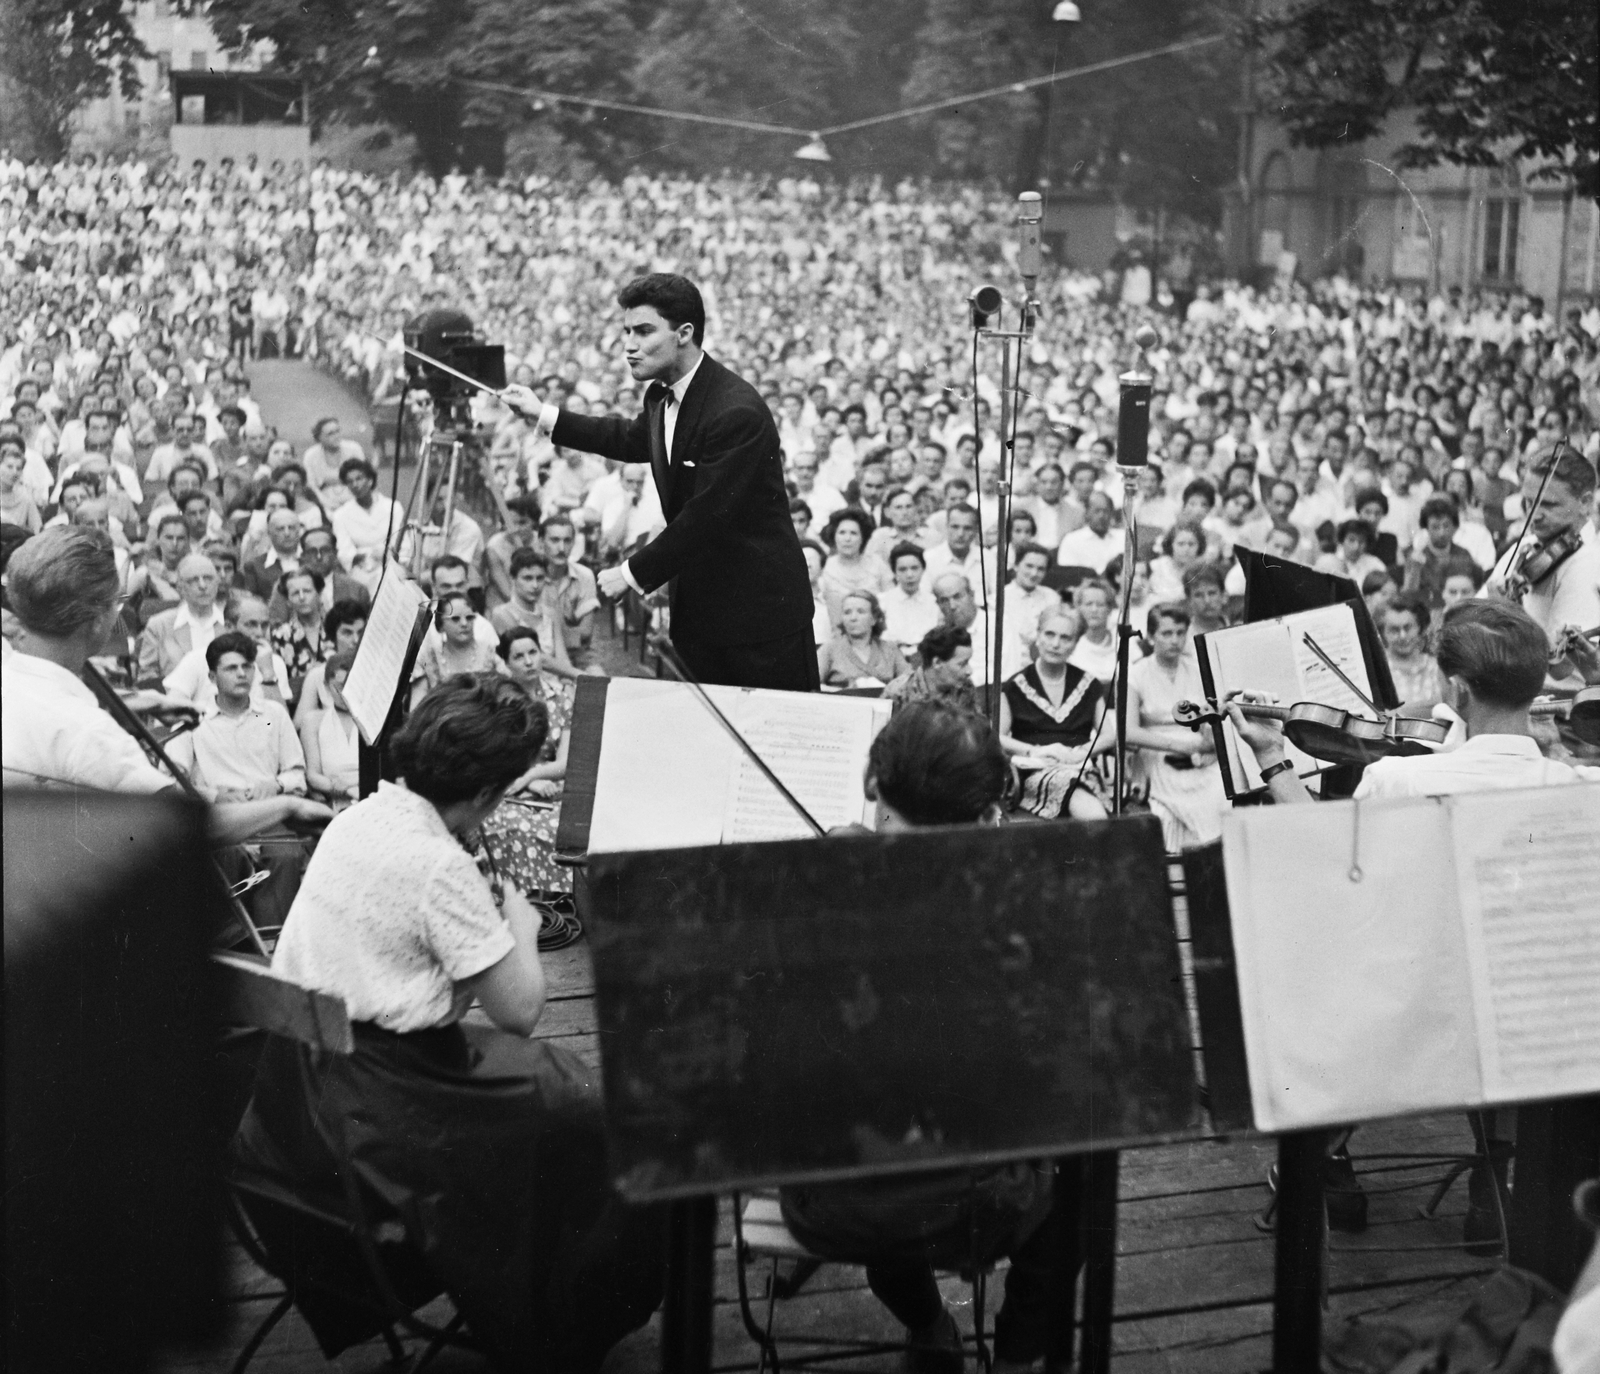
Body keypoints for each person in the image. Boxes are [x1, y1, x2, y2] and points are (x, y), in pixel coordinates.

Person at [233, 675, 664, 1371]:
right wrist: (519, 925)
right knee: (596, 1118)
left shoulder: (361, 816)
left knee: (565, 1107)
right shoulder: (439, 865)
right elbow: (520, 1012)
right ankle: (566, 1316)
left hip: (294, 1093)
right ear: (492, 794)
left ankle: (546, 1284)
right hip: (378, 1106)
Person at [1229, 600, 1600, 1251]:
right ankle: (1493, 1187)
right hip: (1530, 1029)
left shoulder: (1399, 778)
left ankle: (1332, 1155)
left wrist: (1271, 755)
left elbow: (1322, 852)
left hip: (1410, 1020)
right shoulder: (1572, 784)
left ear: (1456, 689)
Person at [778, 702, 1066, 1374]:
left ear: (872, 785)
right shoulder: (1019, 914)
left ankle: (930, 1325)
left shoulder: (800, 889)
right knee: (1076, 1165)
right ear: (990, 819)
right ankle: (1022, 1351)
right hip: (981, 1208)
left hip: (828, 1207)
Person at [502, 273, 816, 691]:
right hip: (703, 609)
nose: (629, 344)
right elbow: (629, 439)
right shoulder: (660, 393)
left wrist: (631, 573)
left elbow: (707, 516)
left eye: (644, 331)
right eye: (626, 331)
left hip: (758, 618)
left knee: (770, 740)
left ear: (685, 333)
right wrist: (544, 415)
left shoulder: (735, 411)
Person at [2, 527, 329, 840]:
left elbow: (49, 713)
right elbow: (188, 824)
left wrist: (144, 701)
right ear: (97, 620)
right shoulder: (90, 733)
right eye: (115, 603)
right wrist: (287, 806)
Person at [474, 626, 577, 899]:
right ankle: (516, 899)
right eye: (519, 657)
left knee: (559, 829)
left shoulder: (561, 698)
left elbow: (566, 761)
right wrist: (528, 781)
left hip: (555, 790)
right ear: (506, 663)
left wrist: (533, 776)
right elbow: (496, 759)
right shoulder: (498, 702)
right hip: (510, 789)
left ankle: (557, 899)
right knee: (507, 826)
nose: (529, 661)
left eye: (533, 652)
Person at [1123, 603, 1227, 850]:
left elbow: (1212, 719)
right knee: (1172, 802)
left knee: (1220, 788)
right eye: (1166, 633)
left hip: (1198, 750)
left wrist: (1208, 747)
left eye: (1180, 633)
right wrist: (1180, 747)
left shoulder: (1198, 670)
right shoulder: (1135, 674)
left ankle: (1213, 858)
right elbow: (1129, 731)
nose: (1175, 640)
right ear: (1151, 636)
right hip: (1155, 752)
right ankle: (1184, 859)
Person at [999, 607, 1112, 820]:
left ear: (1075, 643)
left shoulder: (1088, 684)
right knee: (1087, 807)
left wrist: (1082, 752)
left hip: (1080, 767)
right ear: (1038, 635)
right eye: (1049, 634)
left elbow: (1108, 734)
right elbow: (997, 738)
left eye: (1065, 638)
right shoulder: (1014, 686)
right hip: (1035, 772)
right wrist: (1035, 751)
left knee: (1081, 790)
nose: (1055, 644)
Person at [1486, 444, 1599, 656]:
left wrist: (1509, 617)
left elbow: (1563, 665)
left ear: (1585, 503)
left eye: (1548, 505)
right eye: (1529, 502)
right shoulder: (1527, 546)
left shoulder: (1590, 561)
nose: (1534, 515)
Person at [137, 552, 224, 684]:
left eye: (208, 578)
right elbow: (147, 679)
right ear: (180, 587)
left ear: (217, 582)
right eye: (193, 580)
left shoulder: (231, 624)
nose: (202, 586)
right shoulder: (159, 626)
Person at [413, 591, 500, 705]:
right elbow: (417, 705)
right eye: (455, 619)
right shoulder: (428, 658)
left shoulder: (489, 652)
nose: (464, 623)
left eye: (469, 618)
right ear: (440, 624)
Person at [299, 648, 360, 810]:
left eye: (352, 685)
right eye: (339, 687)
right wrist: (348, 789)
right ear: (326, 687)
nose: (346, 693)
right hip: (334, 799)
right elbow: (312, 775)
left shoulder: (374, 720)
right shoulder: (313, 721)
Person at [818, 589, 907, 689]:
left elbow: (908, 681)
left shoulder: (890, 649)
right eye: (847, 612)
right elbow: (812, 686)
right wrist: (842, 691)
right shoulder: (829, 650)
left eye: (861, 612)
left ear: (874, 619)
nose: (853, 618)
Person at [1403, 497, 1481, 611]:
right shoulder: (1416, 557)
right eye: (1435, 527)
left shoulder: (1464, 555)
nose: (1442, 533)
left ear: (1455, 527)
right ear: (1426, 528)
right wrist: (1415, 569)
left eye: (1446, 526)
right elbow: (1408, 597)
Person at [884, 623, 978, 714]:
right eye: (962, 664)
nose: (969, 671)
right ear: (937, 663)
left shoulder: (965, 689)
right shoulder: (897, 693)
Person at [820, 508, 891, 629]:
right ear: (834, 536)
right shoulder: (825, 568)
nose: (847, 539)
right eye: (842, 533)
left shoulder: (877, 564)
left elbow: (890, 601)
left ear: (863, 537)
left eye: (854, 533)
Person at [1383, 594, 1448, 717]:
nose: (1402, 636)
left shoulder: (1436, 668)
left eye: (1408, 628)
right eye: (1394, 630)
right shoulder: (1377, 670)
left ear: (1419, 627)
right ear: (1384, 632)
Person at [880, 542, 941, 655]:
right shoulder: (883, 602)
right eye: (902, 569)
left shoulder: (933, 602)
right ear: (894, 572)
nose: (909, 575)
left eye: (914, 568)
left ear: (923, 569)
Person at [1055, 491, 1120, 574]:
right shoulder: (1072, 540)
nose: (1101, 516)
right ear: (1087, 512)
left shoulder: (1123, 538)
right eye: (1097, 511)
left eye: (1105, 511)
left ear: (1112, 513)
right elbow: (1067, 575)